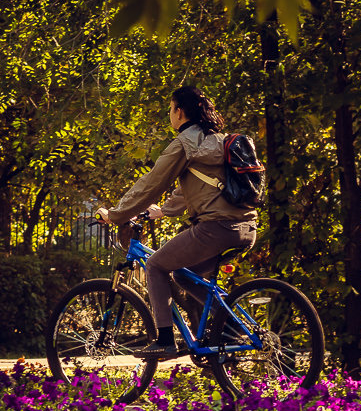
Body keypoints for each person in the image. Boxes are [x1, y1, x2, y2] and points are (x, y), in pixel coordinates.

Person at [95, 86, 258, 359]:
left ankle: (165, 340)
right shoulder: (216, 141)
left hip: (215, 228)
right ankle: (227, 325)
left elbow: (151, 184)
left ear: (179, 112)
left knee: (157, 265)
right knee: (183, 273)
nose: (170, 115)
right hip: (245, 228)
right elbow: (196, 187)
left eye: (170, 110)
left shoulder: (185, 143)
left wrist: (116, 214)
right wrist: (164, 211)